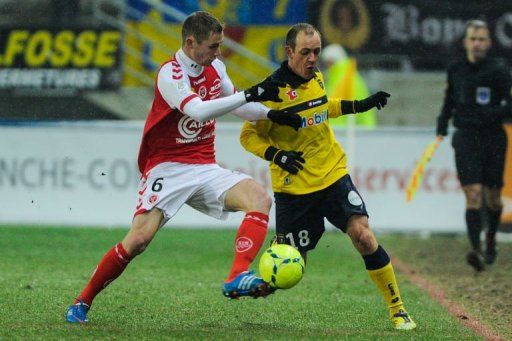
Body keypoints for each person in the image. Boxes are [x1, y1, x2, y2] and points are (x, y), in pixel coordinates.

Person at [66, 11, 301, 323]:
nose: (219, 53)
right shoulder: (170, 74)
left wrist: (272, 114)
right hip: (167, 167)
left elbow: (237, 104)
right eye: (213, 46)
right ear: (191, 43)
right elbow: (199, 111)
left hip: (204, 165)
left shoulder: (216, 66)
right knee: (138, 241)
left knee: (260, 198)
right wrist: (253, 91)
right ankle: (82, 301)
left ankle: (236, 276)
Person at [240, 23, 416, 331]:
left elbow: (323, 107)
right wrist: (278, 156)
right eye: (305, 52)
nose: (312, 58)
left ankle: (398, 309)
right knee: (292, 270)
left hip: (333, 175)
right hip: (294, 189)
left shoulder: (318, 77)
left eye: (317, 52)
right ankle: (265, 277)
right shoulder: (271, 92)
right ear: (289, 51)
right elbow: (248, 137)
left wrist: (359, 106)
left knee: (362, 235)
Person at [436, 20, 511, 272]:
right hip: (466, 137)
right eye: (473, 38)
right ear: (466, 41)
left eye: (482, 39)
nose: (477, 43)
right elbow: (449, 100)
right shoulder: (455, 69)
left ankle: (490, 238)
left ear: (489, 43)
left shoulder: (499, 70)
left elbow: (510, 105)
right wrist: (442, 123)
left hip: (492, 138)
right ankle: (476, 249)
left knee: (493, 198)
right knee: (473, 194)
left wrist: (490, 114)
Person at [320, 43, 376, 128]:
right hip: (359, 129)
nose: (327, 67)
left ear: (332, 61)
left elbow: (337, 108)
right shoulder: (349, 76)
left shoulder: (341, 79)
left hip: (346, 131)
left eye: (327, 63)